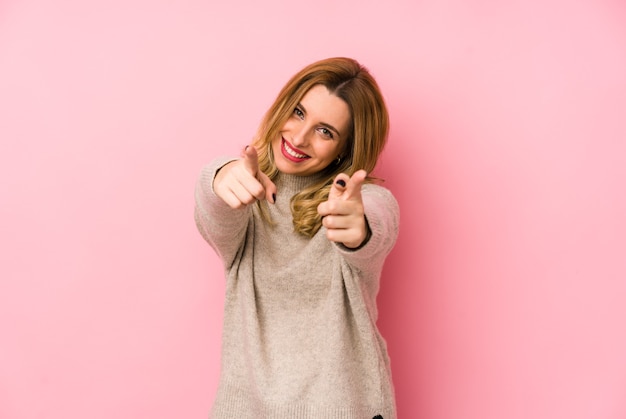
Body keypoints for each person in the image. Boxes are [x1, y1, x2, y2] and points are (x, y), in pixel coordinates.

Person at [194, 57, 400, 419]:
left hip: (344, 407)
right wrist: (220, 176)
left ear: (345, 151)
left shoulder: (363, 202)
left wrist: (359, 227)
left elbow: (375, 223)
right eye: (298, 112)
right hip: (247, 408)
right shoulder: (246, 194)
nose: (299, 137)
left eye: (326, 132)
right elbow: (215, 212)